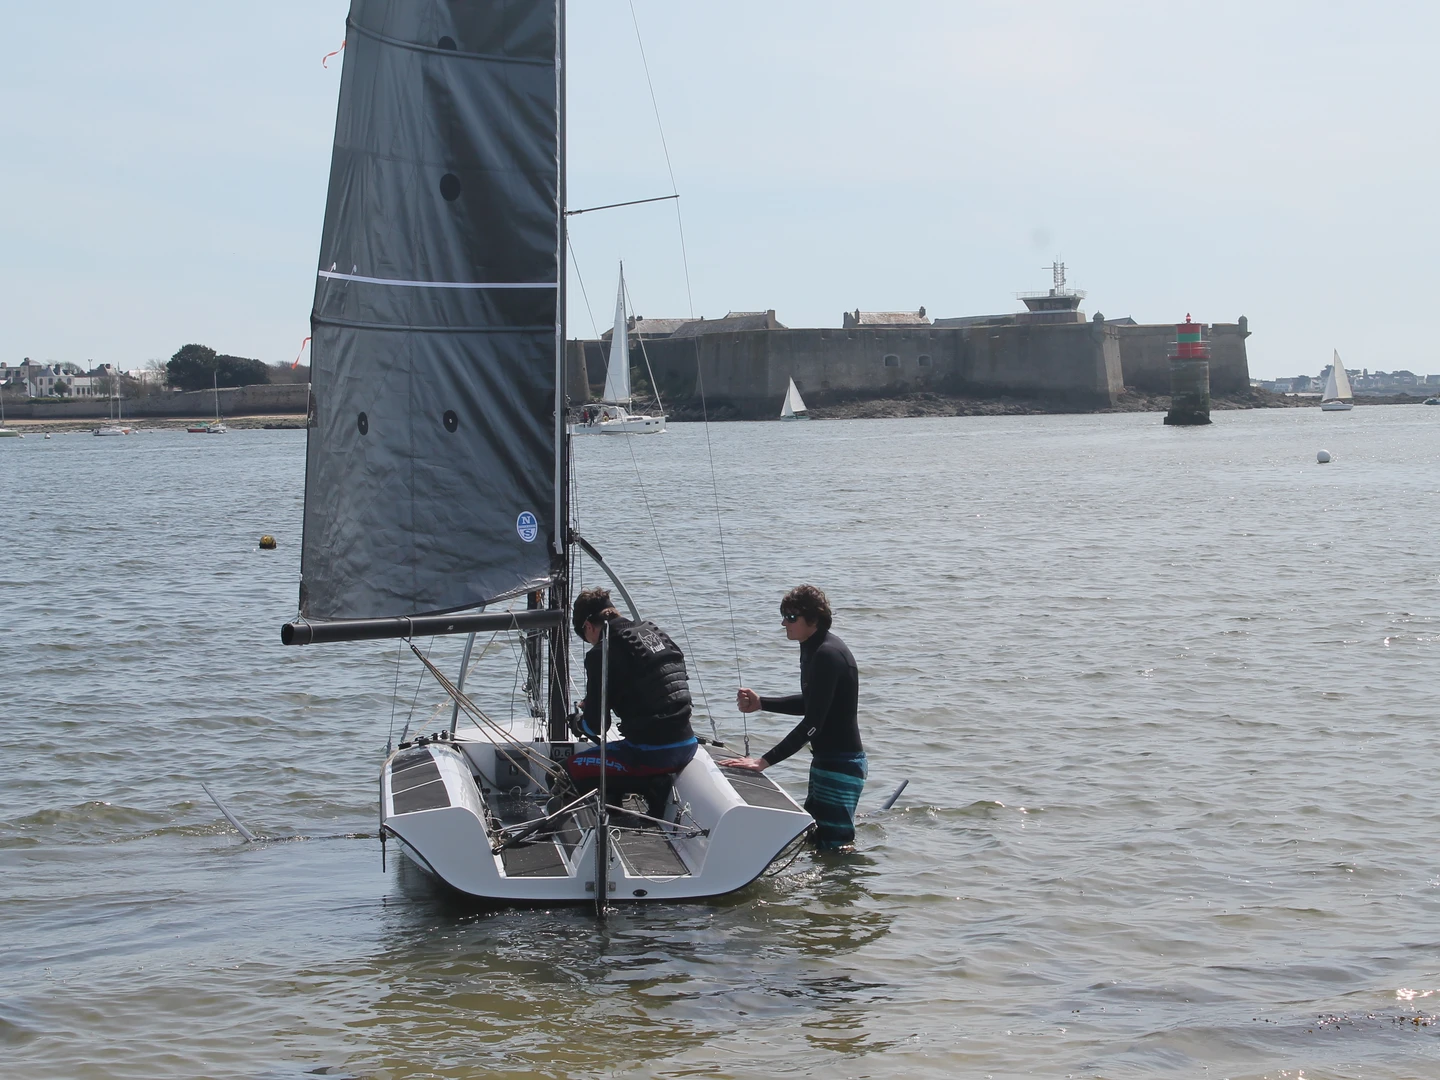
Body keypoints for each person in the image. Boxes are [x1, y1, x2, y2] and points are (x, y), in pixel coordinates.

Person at [720, 584, 866, 851]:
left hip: (842, 767)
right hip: (826, 761)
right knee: (814, 840)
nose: (783, 623)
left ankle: (846, 891)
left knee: (835, 848)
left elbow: (813, 723)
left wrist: (764, 761)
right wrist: (761, 703)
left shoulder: (827, 654)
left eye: (790, 617)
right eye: (783, 616)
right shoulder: (811, 647)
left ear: (813, 618)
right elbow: (813, 705)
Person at [564, 587, 697, 815]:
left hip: (651, 754)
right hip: (687, 744)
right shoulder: (652, 633)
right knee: (613, 762)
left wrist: (578, 721)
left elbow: (596, 726)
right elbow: (650, 687)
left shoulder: (600, 653)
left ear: (588, 627)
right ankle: (639, 797)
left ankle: (649, 786)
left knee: (566, 772)